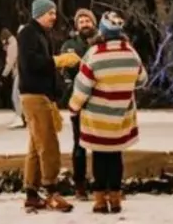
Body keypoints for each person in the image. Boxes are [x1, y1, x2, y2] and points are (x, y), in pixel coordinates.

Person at [68, 11, 146, 214]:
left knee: (100, 157)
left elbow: (82, 87)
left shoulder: (94, 54)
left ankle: (100, 200)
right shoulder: (131, 52)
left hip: (97, 117)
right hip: (121, 116)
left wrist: (74, 107)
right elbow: (142, 79)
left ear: (101, 31)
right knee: (116, 156)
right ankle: (116, 199)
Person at [17, 0, 81, 212]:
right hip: (35, 96)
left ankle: (32, 193)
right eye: (50, 13)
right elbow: (30, 63)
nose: (54, 17)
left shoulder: (41, 35)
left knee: (36, 146)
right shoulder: (28, 33)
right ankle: (51, 190)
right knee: (48, 144)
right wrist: (57, 60)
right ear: (38, 14)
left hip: (41, 95)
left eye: (54, 12)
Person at [59, 8, 97, 200]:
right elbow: (64, 70)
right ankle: (80, 185)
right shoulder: (69, 45)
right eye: (81, 21)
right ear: (76, 25)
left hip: (100, 100)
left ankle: (104, 184)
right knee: (79, 143)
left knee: (103, 145)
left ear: (94, 23)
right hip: (78, 100)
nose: (84, 24)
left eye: (87, 20)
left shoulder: (102, 42)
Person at [0, 27, 25, 129]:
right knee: (18, 96)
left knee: (16, 96)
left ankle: (20, 118)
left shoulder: (12, 45)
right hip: (20, 72)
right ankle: (21, 117)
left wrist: (3, 75)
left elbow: (11, 61)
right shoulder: (14, 43)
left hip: (20, 73)